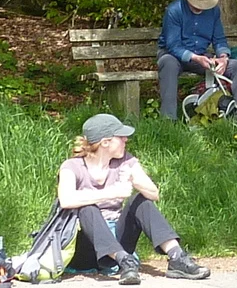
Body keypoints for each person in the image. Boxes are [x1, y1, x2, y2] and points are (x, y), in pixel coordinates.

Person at [58, 114, 210, 284]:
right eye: (120, 136)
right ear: (105, 142)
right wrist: (112, 192)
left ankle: (176, 257)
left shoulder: (125, 161)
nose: (126, 140)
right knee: (87, 208)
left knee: (141, 200)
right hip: (85, 249)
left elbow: (154, 194)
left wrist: (135, 180)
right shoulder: (72, 166)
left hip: (118, 242)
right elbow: (66, 199)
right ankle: (124, 262)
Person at [157, 0, 237, 121]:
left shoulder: (214, 12)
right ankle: (168, 118)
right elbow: (173, 45)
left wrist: (223, 58)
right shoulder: (174, 10)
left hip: (202, 56)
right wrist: (195, 58)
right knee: (168, 63)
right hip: (174, 55)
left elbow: (219, 39)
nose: (200, 6)